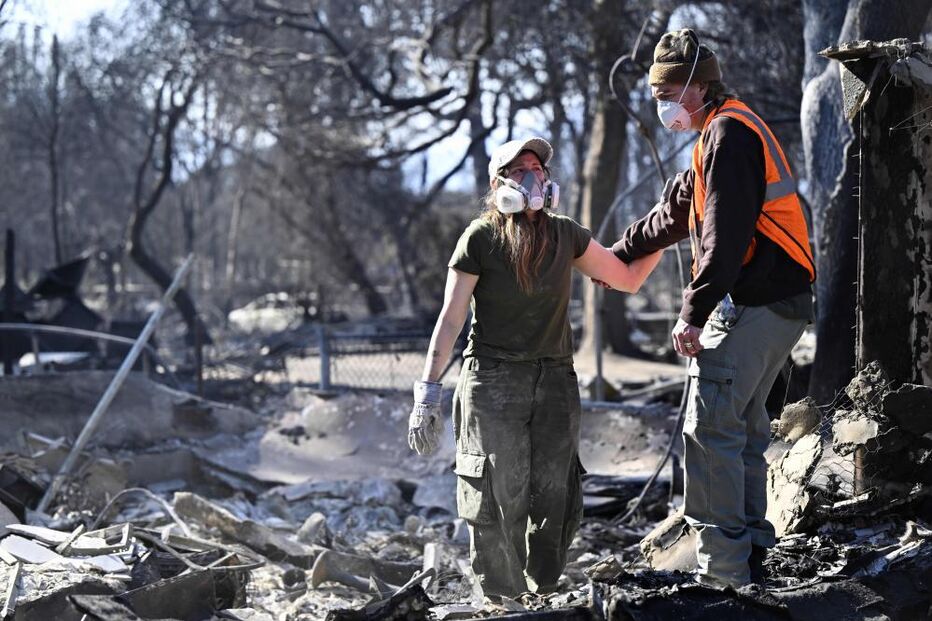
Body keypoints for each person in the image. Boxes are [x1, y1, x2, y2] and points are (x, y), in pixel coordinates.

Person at [407, 136, 663, 599]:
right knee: (496, 492)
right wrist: (428, 390)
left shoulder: (565, 233)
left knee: (555, 493)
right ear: (499, 183)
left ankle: (542, 593)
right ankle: (499, 598)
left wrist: (670, 229)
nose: (533, 176)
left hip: (555, 380)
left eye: (538, 169)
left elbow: (624, 277)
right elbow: (451, 318)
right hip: (493, 379)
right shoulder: (480, 237)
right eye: (521, 169)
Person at [611, 29, 816, 588]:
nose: (662, 105)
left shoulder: (729, 134)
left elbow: (723, 240)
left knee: (708, 430)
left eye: (668, 93)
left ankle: (722, 575)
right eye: (658, 96)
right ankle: (749, 560)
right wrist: (613, 257)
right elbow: (674, 214)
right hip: (777, 300)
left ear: (700, 86)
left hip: (759, 298)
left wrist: (691, 314)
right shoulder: (713, 139)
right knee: (743, 428)